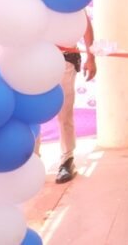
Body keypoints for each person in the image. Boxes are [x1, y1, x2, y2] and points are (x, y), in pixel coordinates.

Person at [44, 14, 97, 184]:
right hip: (37, 60)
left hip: (65, 59)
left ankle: (67, 160)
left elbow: (85, 24)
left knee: (64, 113)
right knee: (33, 112)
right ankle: (33, 158)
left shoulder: (71, 2)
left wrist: (91, 58)